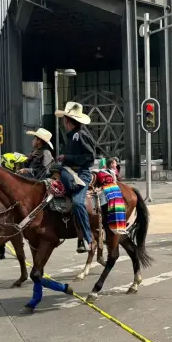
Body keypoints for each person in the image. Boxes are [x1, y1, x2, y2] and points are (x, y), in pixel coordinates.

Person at [55, 102, 96, 254]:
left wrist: (67, 158)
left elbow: (90, 156)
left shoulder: (81, 135)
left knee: (78, 203)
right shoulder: (73, 136)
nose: (63, 123)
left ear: (68, 121)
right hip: (71, 172)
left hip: (81, 174)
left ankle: (88, 238)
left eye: (64, 120)